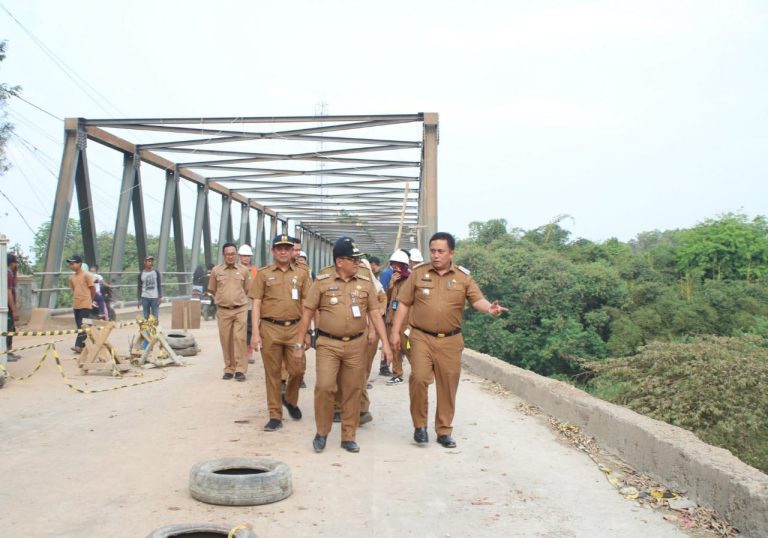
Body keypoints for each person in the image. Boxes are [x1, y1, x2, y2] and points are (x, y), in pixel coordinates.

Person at [390, 232, 508, 449]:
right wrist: (395, 331)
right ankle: (420, 426)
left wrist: (489, 308)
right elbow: (404, 303)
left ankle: (444, 430)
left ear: (451, 253)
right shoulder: (418, 273)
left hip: (451, 340)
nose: (435, 255)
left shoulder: (463, 277)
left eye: (441, 251)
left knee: (448, 385)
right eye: (433, 251)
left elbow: (477, 300)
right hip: (420, 337)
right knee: (419, 377)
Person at [293, 237, 392, 454]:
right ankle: (322, 432)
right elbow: (307, 312)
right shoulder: (322, 281)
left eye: (358, 259)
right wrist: (299, 343)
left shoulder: (365, 282)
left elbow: (375, 313)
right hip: (328, 344)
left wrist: (385, 344)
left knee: (352, 390)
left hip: (357, 345)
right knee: (325, 387)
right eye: (353, 259)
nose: (357, 262)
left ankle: (349, 436)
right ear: (340, 261)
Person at [249, 234, 312, 432]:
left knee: (298, 368)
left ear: (293, 251)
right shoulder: (264, 274)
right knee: (273, 374)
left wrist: (308, 331)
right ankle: (275, 415)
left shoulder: (302, 274)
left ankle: (290, 399)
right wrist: (255, 333)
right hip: (270, 329)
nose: (283, 251)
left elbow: (307, 304)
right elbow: (256, 303)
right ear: (273, 251)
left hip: (295, 329)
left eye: (287, 248)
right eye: (279, 248)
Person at [208, 242, 251, 381]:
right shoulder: (216, 271)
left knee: (240, 339)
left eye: (233, 254)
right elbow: (213, 289)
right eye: (228, 254)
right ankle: (229, 368)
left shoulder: (244, 270)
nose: (230, 257)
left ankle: (240, 370)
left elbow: (247, 289)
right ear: (223, 255)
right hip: (223, 310)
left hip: (240, 309)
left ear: (236, 254)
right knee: (226, 339)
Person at [384, 249, 412, 385]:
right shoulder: (394, 280)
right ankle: (397, 374)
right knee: (394, 347)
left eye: (397, 266)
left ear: (403, 266)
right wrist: (390, 285)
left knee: (408, 347)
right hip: (391, 318)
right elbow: (387, 299)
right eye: (393, 266)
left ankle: (419, 372)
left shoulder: (411, 280)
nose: (394, 269)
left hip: (406, 321)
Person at [67, 255, 95, 354]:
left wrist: (90, 300)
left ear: (79, 264)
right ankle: (86, 345)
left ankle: (78, 345)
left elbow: (92, 289)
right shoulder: (71, 278)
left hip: (85, 304)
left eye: (73, 263)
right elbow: (74, 289)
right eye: (70, 264)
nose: (71, 265)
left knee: (82, 325)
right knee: (80, 325)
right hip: (76, 304)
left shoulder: (87, 276)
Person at [238, 244, 259, 364]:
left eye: (248, 256)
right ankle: (239, 352)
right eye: (243, 256)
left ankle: (249, 352)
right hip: (239, 304)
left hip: (251, 304)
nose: (246, 258)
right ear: (239, 256)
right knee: (239, 329)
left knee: (250, 329)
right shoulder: (236, 269)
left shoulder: (255, 270)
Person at [137, 255, 162, 320]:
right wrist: (139, 299)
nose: (150, 263)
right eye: (149, 261)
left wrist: (160, 297)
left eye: (151, 261)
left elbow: (159, 285)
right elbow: (139, 287)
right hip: (145, 297)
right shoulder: (141, 274)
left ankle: (154, 330)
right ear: (145, 262)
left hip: (154, 297)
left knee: (155, 316)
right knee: (146, 316)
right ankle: (147, 330)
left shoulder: (156, 272)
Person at [6, 253, 20, 361]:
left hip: (8, 307)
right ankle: (6, 353)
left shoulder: (10, 273)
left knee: (11, 328)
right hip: (7, 307)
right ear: (12, 263)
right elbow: (9, 292)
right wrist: (14, 310)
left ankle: (9, 351)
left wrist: (15, 273)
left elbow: (15, 284)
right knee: (8, 329)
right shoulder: (7, 274)